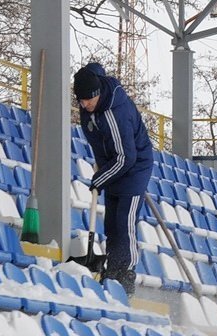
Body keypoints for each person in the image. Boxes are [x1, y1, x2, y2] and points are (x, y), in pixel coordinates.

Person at [74, 63, 154, 295]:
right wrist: (102, 165)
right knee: (111, 224)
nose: (84, 105)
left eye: (88, 100)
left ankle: (126, 272)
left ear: (98, 94)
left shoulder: (114, 113)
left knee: (124, 223)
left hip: (134, 166)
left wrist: (101, 178)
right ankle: (112, 269)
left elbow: (126, 157)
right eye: (80, 100)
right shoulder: (90, 106)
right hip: (112, 165)